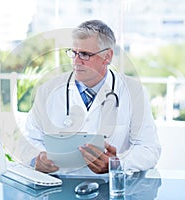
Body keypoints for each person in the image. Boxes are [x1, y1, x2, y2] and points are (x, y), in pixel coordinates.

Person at [23, 19, 161, 174]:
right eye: (73, 53)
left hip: (109, 188)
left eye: (85, 55)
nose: (76, 61)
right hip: (59, 187)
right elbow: (28, 140)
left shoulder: (133, 92)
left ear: (107, 56)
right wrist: (37, 159)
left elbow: (149, 148)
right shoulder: (48, 91)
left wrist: (116, 164)